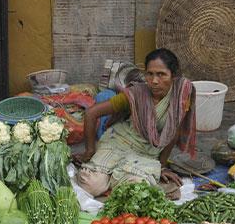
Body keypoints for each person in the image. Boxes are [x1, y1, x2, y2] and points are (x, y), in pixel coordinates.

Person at [74, 48, 197, 199]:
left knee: (136, 188)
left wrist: (162, 166)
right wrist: (90, 150)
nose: (154, 81)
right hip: (119, 142)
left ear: (174, 76)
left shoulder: (181, 95)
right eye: (150, 74)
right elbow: (91, 113)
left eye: (161, 74)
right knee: (90, 185)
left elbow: (174, 131)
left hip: (147, 152)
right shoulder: (135, 94)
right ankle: (111, 178)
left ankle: (113, 179)